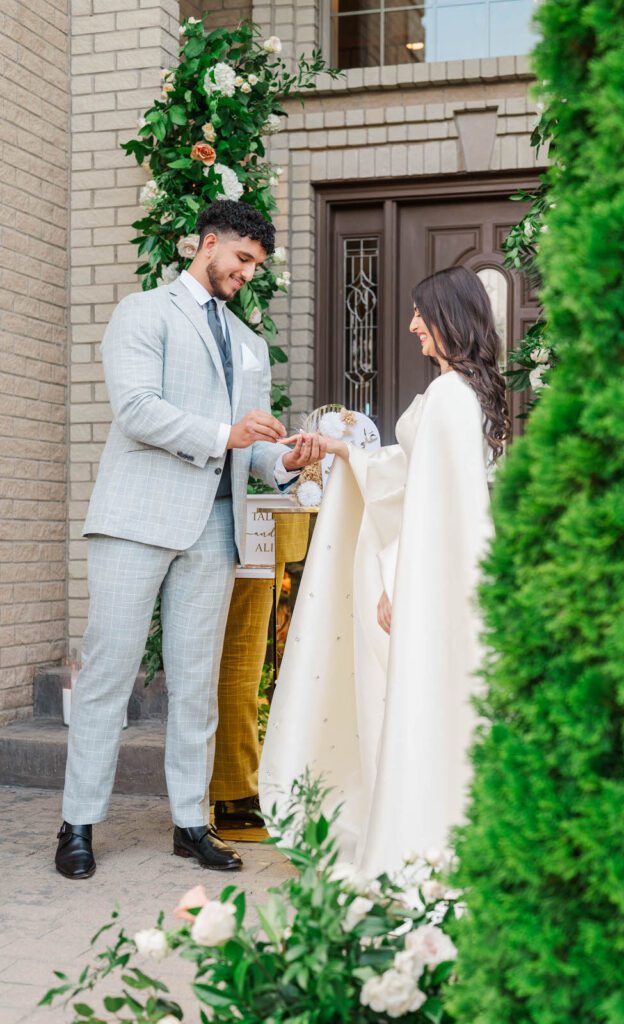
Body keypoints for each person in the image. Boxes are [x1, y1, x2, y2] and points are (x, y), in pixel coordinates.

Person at [56, 200, 325, 880]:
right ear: (208, 245)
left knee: (198, 685)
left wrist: (281, 460)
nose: (246, 274)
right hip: (136, 520)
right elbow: (138, 410)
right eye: (241, 259)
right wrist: (224, 436)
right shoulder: (142, 313)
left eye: (256, 267)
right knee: (108, 673)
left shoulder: (251, 343)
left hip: (215, 529)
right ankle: (78, 824)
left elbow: (249, 452)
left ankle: (188, 823)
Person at [259, 266, 508, 875]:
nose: (413, 324)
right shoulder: (462, 390)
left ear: (450, 316)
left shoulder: (452, 395)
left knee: (411, 696)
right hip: (437, 577)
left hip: (425, 580)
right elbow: (414, 470)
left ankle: (415, 836)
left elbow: (440, 506)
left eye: (423, 313)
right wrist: (347, 450)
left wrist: (401, 583)